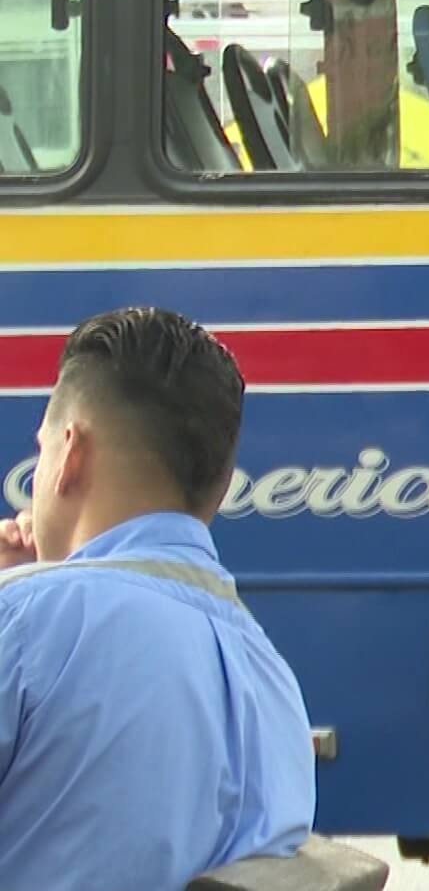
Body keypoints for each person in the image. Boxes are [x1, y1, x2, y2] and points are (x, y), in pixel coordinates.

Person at [0, 307, 316, 891]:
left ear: (70, 453)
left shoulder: (23, 624)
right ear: (218, 486)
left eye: (41, 449)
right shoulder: (271, 683)